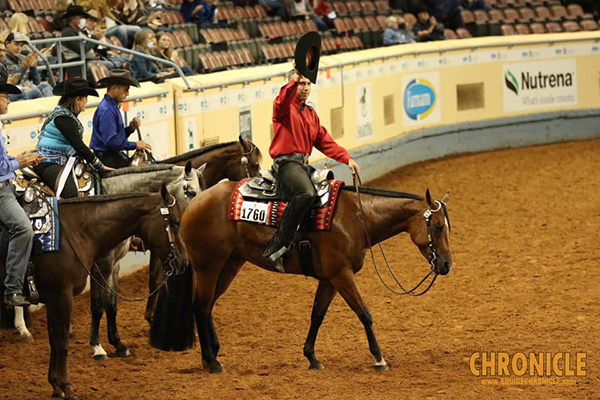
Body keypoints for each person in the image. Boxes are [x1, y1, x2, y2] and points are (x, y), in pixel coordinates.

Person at [263, 63, 360, 271]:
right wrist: (294, 80)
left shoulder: (310, 114)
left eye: (308, 84)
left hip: (302, 165)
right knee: (305, 193)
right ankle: (277, 247)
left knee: (329, 192)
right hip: (286, 164)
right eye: (301, 84)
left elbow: (325, 141)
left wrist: (347, 158)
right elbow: (282, 99)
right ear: (293, 84)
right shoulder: (283, 107)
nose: (305, 87)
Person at [0, 79, 44, 306]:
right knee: (24, 228)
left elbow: (2, 160)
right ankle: (12, 289)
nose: (8, 101)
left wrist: (20, 157)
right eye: (6, 96)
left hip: (5, 186)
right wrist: (19, 162)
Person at [34, 79, 114, 198]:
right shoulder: (64, 118)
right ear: (77, 100)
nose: (86, 102)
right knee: (71, 193)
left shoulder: (63, 115)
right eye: (85, 98)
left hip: (59, 161)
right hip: (47, 163)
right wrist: (99, 165)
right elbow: (79, 146)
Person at [90, 69, 151, 168]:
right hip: (107, 158)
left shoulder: (111, 107)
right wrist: (135, 145)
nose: (127, 94)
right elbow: (112, 142)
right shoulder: (107, 110)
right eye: (125, 90)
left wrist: (130, 129)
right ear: (114, 89)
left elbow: (115, 138)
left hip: (111, 155)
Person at [2, 33, 53, 100]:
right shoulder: (3, 60)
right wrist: (23, 68)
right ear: (7, 44)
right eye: (16, 44)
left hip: (30, 87)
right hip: (18, 91)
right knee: (36, 92)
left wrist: (33, 67)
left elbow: (37, 82)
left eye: (21, 45)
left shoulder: (24, 58)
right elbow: (12, 82)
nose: (18, 48)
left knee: (44, 85)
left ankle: (53, 106)